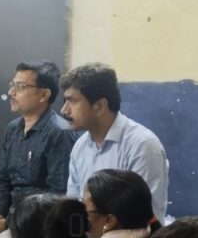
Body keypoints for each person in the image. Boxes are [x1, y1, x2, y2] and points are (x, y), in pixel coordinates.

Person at [61, 63, 170, 223]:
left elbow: (143, 218)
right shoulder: (80, 147)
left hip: (132, 237)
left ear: (99, 106)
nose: (64, 110)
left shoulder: (142, 145)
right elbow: (74, 209)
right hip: (92, 236)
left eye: (72, 101)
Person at [0, 60, 76, 238]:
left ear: (44, 94)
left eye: (20, 87)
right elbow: (2, 179)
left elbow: (57, 194)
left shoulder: (59, 133)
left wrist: (9, 222)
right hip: (7, 217)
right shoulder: (12, 129)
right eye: (12, 85)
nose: (11, 92)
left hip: (38, 224)